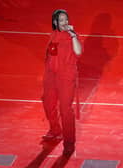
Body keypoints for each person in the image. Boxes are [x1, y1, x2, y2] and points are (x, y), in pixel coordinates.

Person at [42, 9, 82, 156]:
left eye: (66, 19)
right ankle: (55, 129)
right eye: (61, 20)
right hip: (51, 77)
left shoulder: (73, 36)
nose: (65, 22)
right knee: (47, 102)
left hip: (66, 77)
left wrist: (73, 35)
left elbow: (78, 52)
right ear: (55, 22)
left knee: (65, 110)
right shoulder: (52, 35)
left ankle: (69, 142)